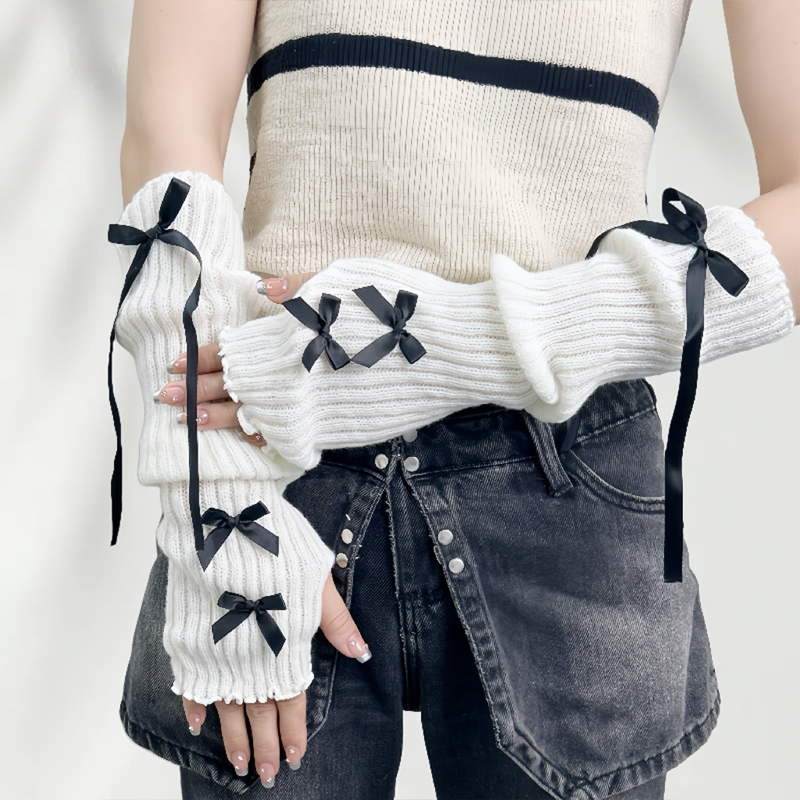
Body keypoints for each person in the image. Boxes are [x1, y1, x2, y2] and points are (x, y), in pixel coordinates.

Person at [109, 1, 798, 798]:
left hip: (565, 478)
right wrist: (223, 504)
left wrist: (451, 340)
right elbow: (169, 136)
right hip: (273, 455)